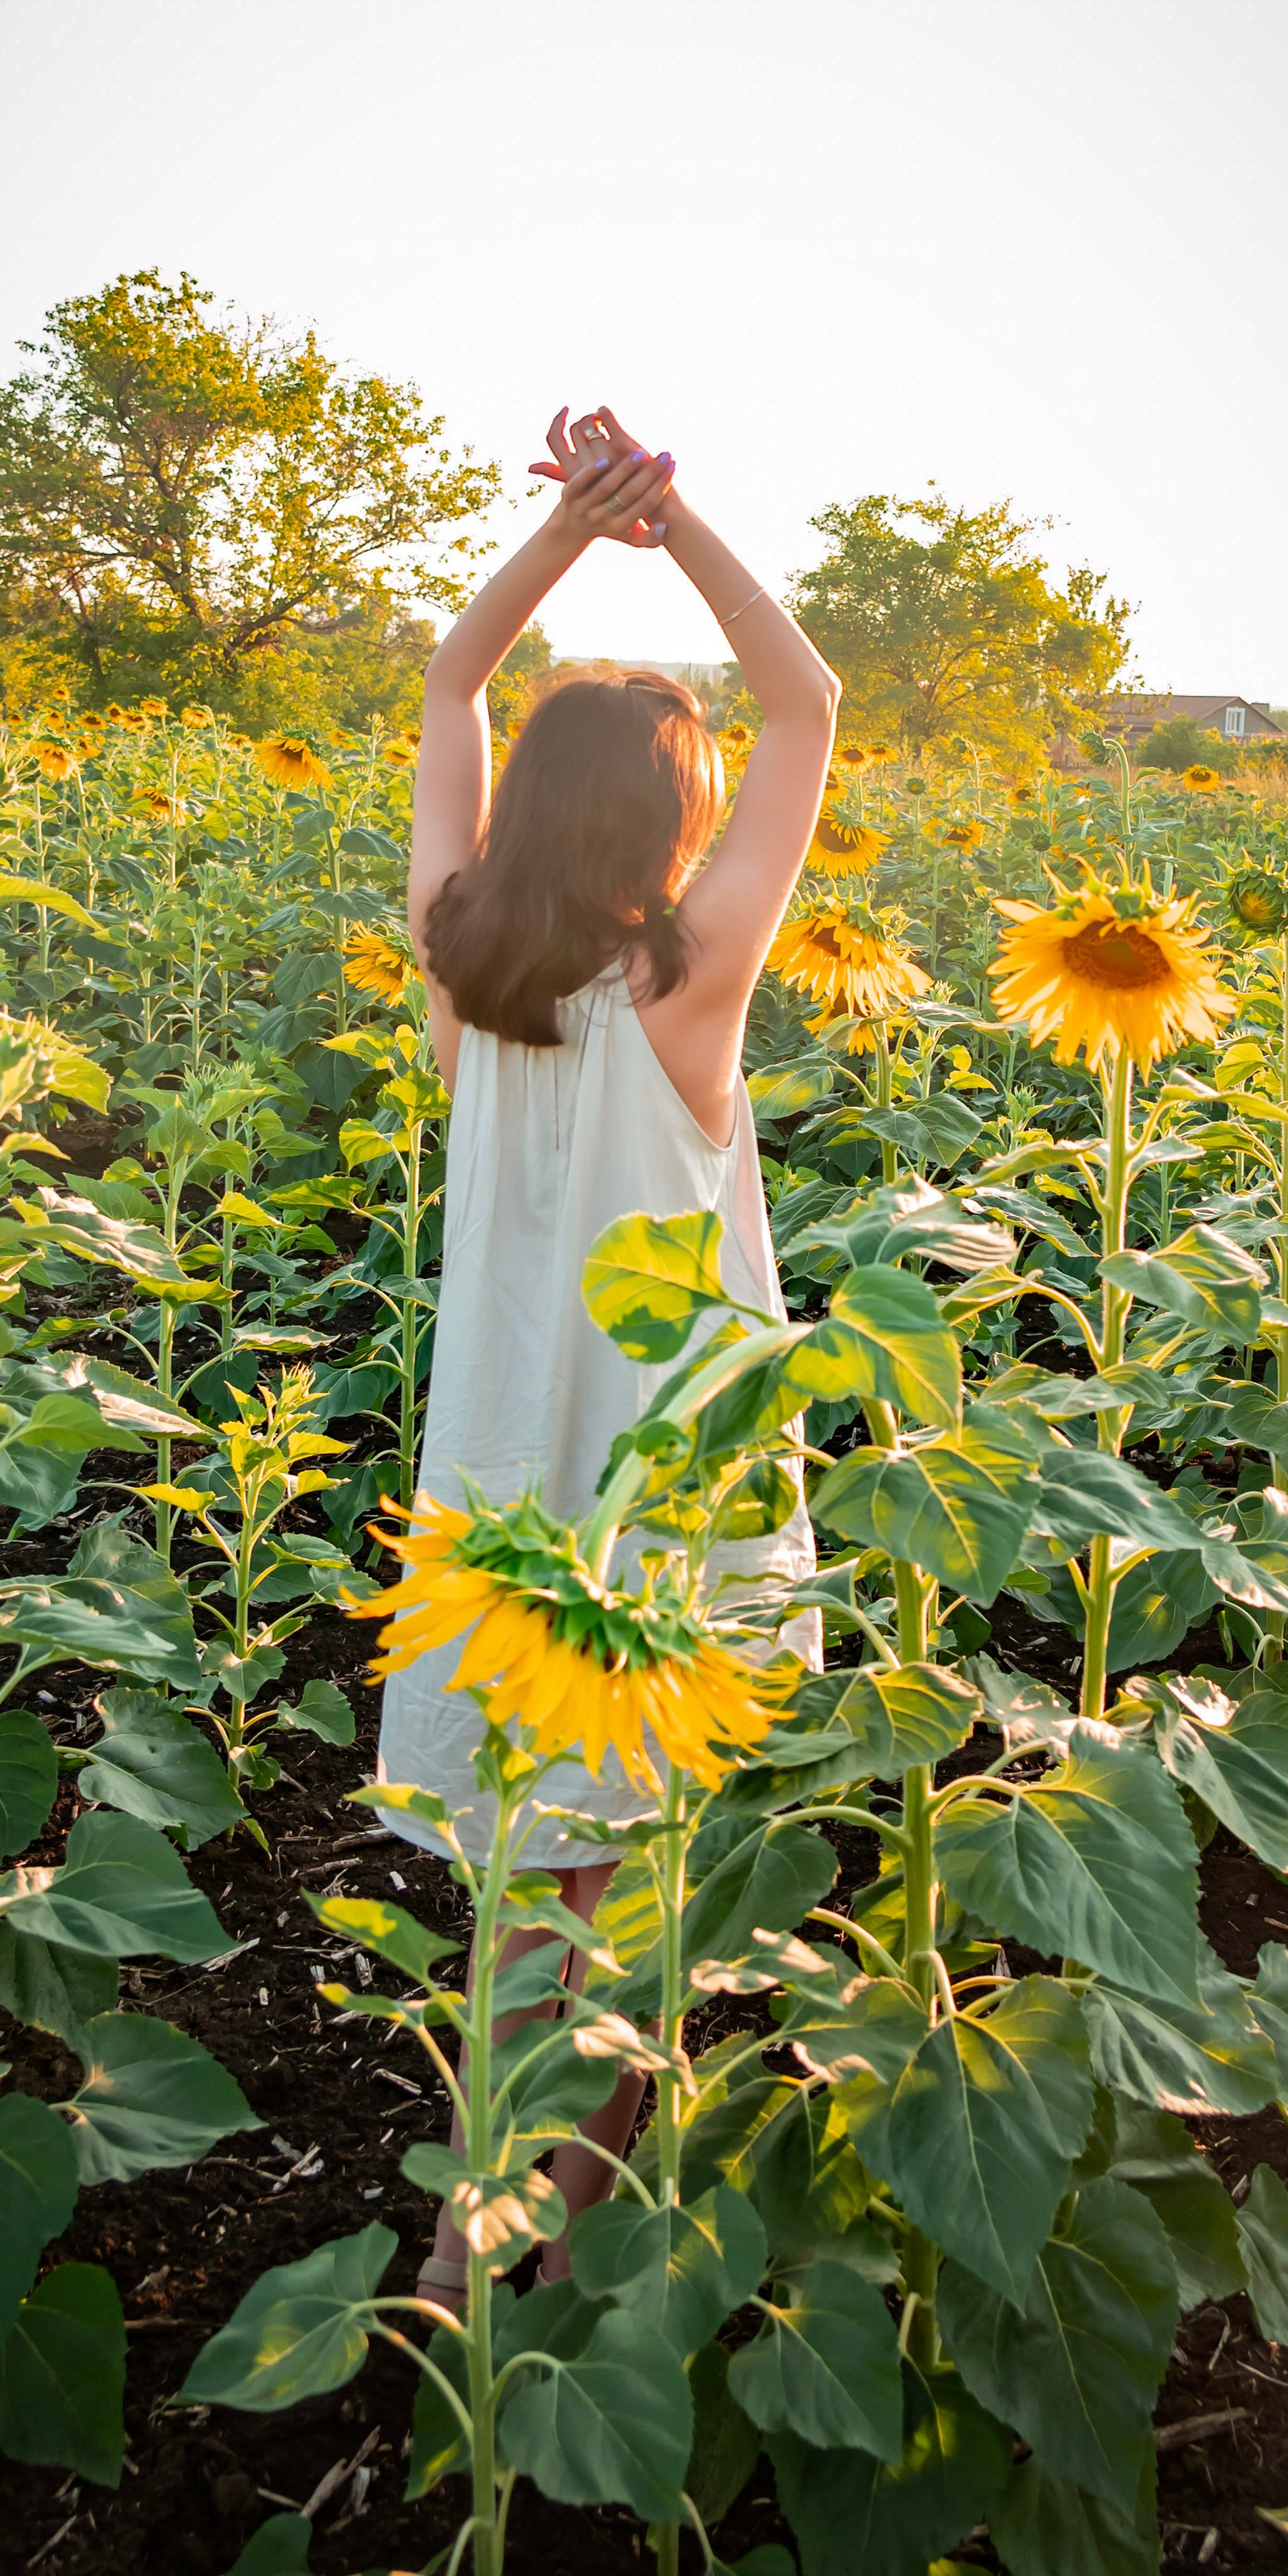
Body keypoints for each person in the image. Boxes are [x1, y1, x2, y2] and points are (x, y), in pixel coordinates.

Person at [383, 404, 839, 2304]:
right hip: (658, 1466)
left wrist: (575, 534)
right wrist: (671, 516)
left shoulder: (457, 959)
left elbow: (447, 685)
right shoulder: (685, 979)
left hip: (498, 1464)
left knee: (521, 1881)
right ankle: (544, 2264)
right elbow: (804, 702)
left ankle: (457, 2246)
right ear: (670, 818)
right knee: (617, 1884)